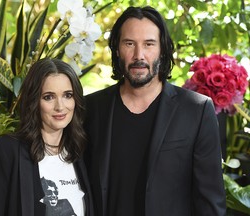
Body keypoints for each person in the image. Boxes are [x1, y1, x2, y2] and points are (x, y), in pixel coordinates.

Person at [84, 6, 226, 216]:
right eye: (129, 43)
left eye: (149, 44)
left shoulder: (197, 110)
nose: (138, 55)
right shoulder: (90, 109)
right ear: (116, 48)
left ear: (163, 49)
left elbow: (210, 202)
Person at [0, 58, 94, 216]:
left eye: (68, 95)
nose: (60, 106)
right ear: (34, 101)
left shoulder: (81, 151)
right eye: (49, 97)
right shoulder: (6, 150)